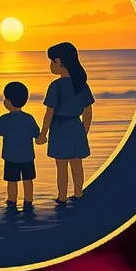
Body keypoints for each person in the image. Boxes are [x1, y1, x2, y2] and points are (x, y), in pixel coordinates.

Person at [43, 42, 92, 201]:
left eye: (52, 61)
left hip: (60, 127)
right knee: (77, 165)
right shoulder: (81, 85)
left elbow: (49, 113)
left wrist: (43, 133)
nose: (51, 65)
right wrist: (84, 129)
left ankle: (62, 197)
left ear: (60, 62)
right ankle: (79, 193)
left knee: (61, 167)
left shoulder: (56, 86)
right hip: (76, 127)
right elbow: (88, 110)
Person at [0, 82, 41, 210]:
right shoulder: (29, 118)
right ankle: (28, 201)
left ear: (8, 101)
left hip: (10, 158)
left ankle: (12, 201)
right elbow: (37, 135)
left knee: (12, 182)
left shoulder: (4, 119)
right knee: (28, 180)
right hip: (27, 157)